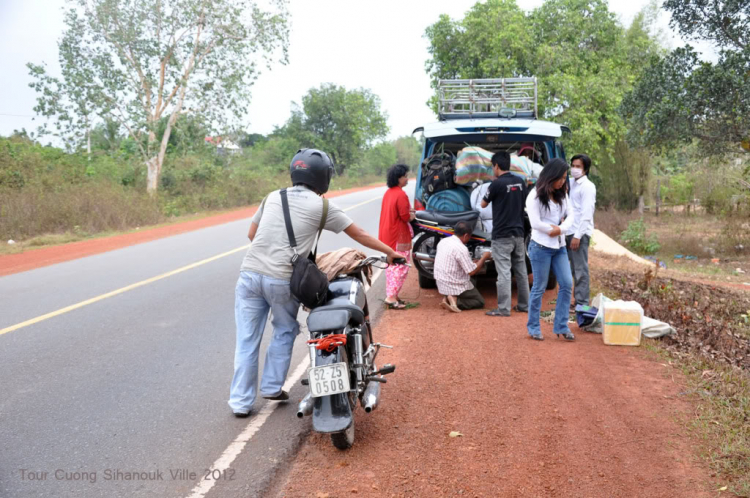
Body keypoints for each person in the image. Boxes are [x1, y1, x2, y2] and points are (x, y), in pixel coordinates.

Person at [228, 149, 402, 418]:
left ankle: (240, 403)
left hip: (249, 274)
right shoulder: (322, 206)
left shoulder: (274, 196)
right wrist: (391, 252)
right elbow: (360, 234)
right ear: (324, 178)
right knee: (284, 329)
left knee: (247, 340)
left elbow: (252, 233)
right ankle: (272, 387)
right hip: (282, 280)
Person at [525, 158, 575, 341]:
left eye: (564, 178)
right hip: (540, 247)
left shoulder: (563, 194)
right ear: (550, 175)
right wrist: (551, 230)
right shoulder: (535, 195)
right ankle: (533, 327)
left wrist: (560, 230)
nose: (562, 182)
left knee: (567, 283)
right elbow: (535, 222)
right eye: (560, 178)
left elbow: (571, 215)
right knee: (539, 287)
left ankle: (561, 326)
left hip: (559, 246)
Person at [480, 151, 530, 317]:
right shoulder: (521, 182)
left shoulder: (496, 184)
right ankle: (524, 305)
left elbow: (483, 204)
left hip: (502, 235)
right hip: (519, 234)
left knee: (504, 273)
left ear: (496, 166)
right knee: (521, 271)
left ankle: (503, 309)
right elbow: (525, 202)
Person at [433, 221, 492, 313]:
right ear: (465, 235)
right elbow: (472, 271)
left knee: (472, 281)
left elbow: (454, 262)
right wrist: (484, 258)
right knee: (479, 301)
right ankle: (455, 301)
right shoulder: (461, 248)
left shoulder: (443, 241)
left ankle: (448, 296)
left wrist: (472, 262)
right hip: (454, 284)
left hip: (441, 283)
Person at [378, 164, 415, 309]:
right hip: (397, 236)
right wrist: (412, 215)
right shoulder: (401, 194)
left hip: (387, 236)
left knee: (391, 266)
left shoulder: (389, 193)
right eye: (405, 176)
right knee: (400, 266)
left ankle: (393, 295)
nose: (407, 179)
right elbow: (405, 216)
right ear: (398, 178)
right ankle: (391, 297)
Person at [566, 153, 596, 308]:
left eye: (578, 166)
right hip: (568, 231)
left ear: (585, 169)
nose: (575, 169)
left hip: (579, 233)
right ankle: (577, 300)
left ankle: (582, 303)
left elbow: (586, 214)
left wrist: (578, 236)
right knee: (573, 270)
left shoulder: (588, 187)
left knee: (581, 270)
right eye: (573, 166)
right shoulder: (570, 183)